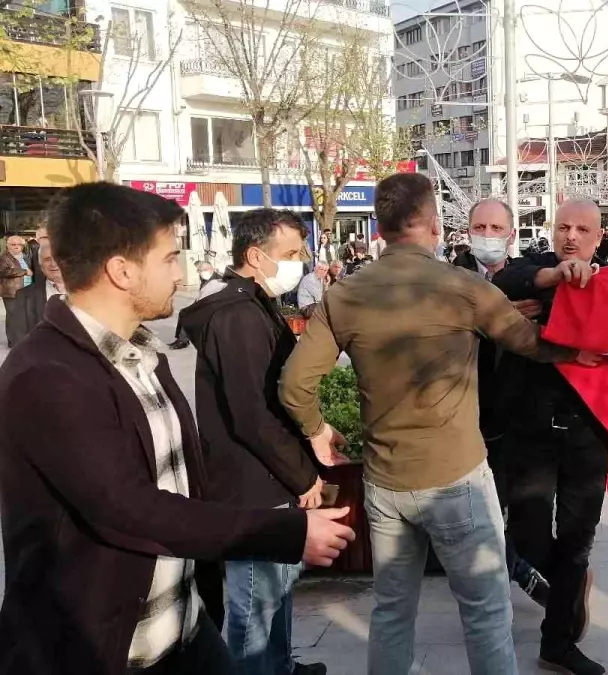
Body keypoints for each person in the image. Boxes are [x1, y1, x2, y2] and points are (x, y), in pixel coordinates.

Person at [0, 182, 355, 675]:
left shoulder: (143, 355)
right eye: (169, 257)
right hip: (104, 646)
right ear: (121, 271)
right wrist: (284, 529)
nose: (182, 271)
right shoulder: (46, 374)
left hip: (182, 625)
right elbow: (127, 508)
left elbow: (184, 482)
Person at [280, 173, 588, 675]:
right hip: (457, 479)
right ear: (433, 224)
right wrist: (590, 347)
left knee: (392, 612)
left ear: (381, 227)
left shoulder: (345, 294)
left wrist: (317, 431)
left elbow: (295, 385)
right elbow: (533, 343)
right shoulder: (461, 287)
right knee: (486, 611)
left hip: (384, 483)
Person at [179, 208, 326, 675]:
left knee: (277, 588)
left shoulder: (253, 301)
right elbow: (251, 414)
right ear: (256, 255)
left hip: (268, 476)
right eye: (289, 254)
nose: (298, 262)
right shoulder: (236, 315)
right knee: (253, 607)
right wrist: (302, 474)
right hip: (251, 483)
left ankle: (279, 667)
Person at [490, 198, 608, 675]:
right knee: (531, 537)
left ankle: (557, 643)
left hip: (588, 433)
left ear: (598, 237)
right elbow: (508, 279)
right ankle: (568, 582)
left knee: (577, 542)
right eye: (563, 226)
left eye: (582, 229)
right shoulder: (533, 272)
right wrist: (554, 281)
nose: (571, 236)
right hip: (531, 435)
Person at [452, 198, 551, 607]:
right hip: (463, 412)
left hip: (519, 416)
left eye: (496, 228)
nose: (487, 236)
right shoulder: (451, 277)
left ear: (511, 235)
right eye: (480, 227)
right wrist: (500, 315)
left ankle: (523, 568)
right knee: (474, 512)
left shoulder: (529, 276)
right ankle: (516, 574)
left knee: (520, 506)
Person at [7, 241, 66, 346]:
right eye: (47, 259)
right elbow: (19, 340)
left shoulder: (91, 292)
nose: (53, 263)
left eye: (58, 258)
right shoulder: (23, 296)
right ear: (41, 266)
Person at [166, 260, 216, 350]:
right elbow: (202, 295)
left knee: (189, 316)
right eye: (199, 271)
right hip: (203, 304)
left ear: (210, 269)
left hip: (212, 308)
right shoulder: (205, 279)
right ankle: (181, 339)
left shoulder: (217, 280)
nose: (200, 273)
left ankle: (183, 341)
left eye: (201, 270)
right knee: (183, 312)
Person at [0, 234, 31, 345]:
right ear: (7, 245)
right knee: (13, 316)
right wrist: (24, 271)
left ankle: (22, 339)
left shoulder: (25, 256)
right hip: (11, 292)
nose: (16, 247)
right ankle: (13, 341)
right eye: (13, 244)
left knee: (22, 316)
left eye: (19, 244)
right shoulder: (3, 257)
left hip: (25, 289)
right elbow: (3, 272)